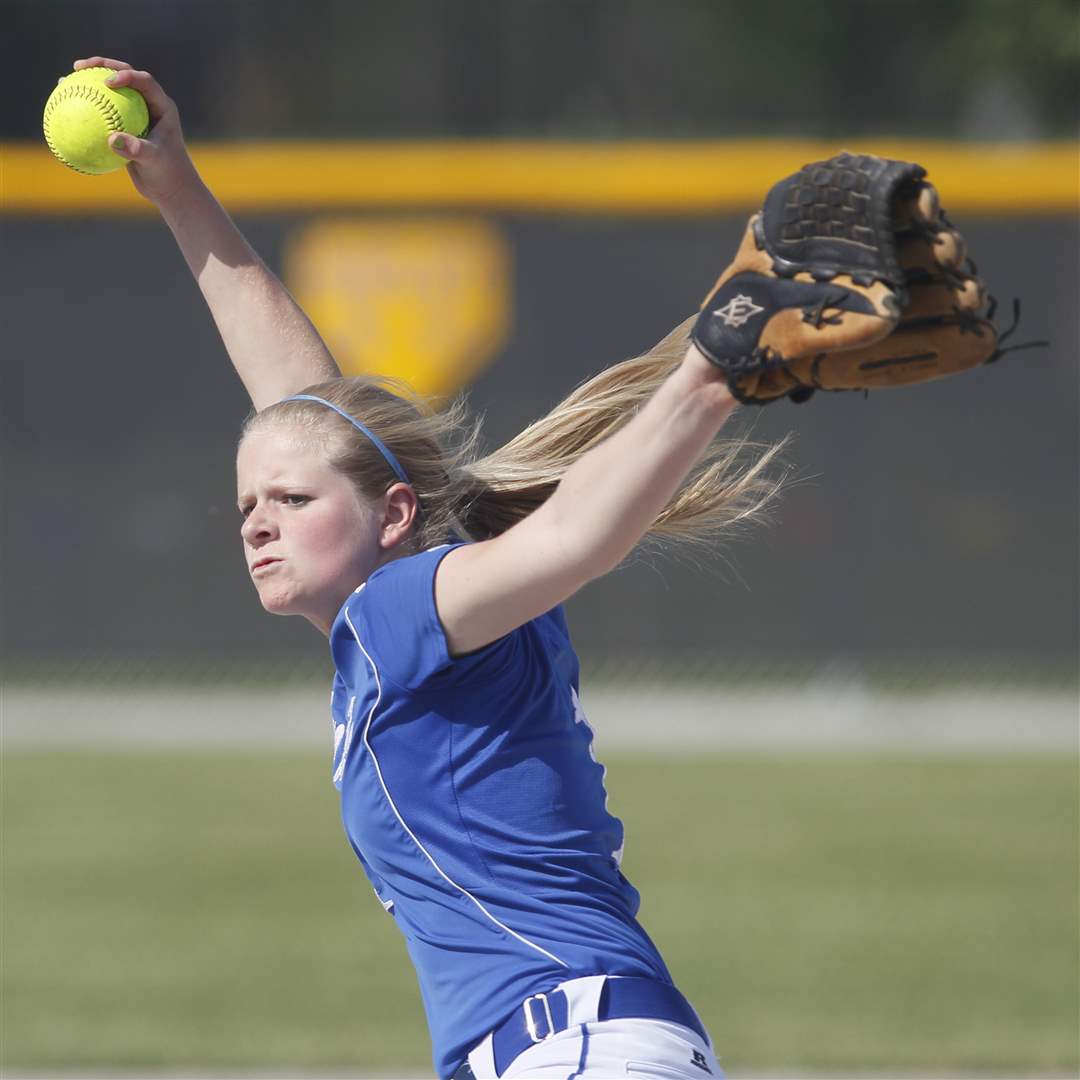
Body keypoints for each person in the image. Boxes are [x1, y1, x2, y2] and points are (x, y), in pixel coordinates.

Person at [79, 56, 784, 1080]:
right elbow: (313, 417)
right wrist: (178, 186)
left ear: (393, 514)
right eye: (246, 505)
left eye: (289, 503)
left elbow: (573, 538)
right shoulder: (419, 610)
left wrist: (710, 376)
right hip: (585, 1043)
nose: (257, 525)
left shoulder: (400, 606)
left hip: (575, 1049)